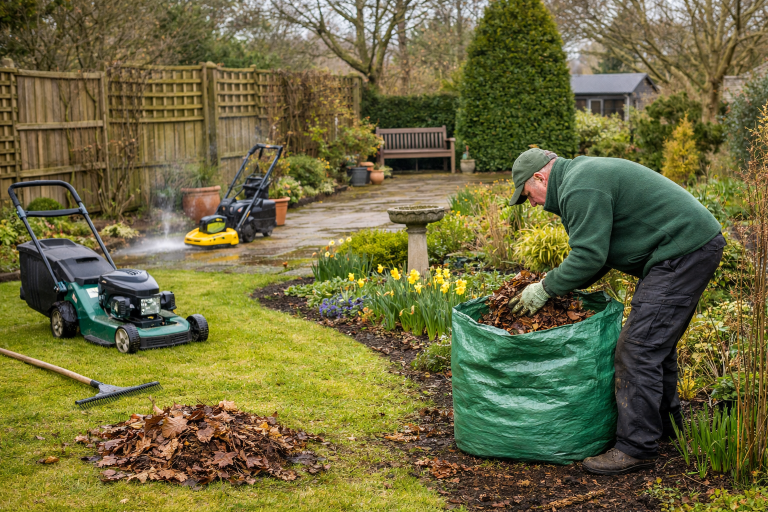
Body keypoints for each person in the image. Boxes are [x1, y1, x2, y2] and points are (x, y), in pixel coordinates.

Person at [507, 148, 724, 475]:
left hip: (682, 251)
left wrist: (546, 287)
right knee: (654, 344)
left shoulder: (579, 187)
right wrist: (562, 286)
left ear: (539, 177)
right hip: (683, 248)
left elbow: (588, 257)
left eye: (529, 195)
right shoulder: (579, 178)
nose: (534, 204)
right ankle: (665, 429)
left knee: (638, 348)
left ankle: (636, 449)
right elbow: (600, 255)